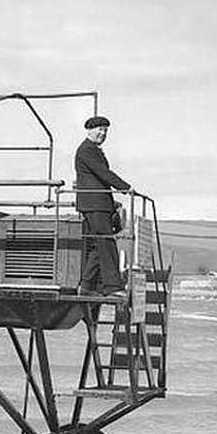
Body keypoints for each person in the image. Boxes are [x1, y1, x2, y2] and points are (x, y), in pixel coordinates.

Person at [74, 115, 131, 298]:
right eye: (99, 129)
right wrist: (126, 187)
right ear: (89, 130)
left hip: (98, 203)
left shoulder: (93, 150)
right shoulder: (87, 150)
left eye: (105, 130)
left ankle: (87, 285)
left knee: (99, 246)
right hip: (95, 204)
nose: (103, 133)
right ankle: (112, 287)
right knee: (106, 242)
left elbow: (98, 178)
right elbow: (103, 173)